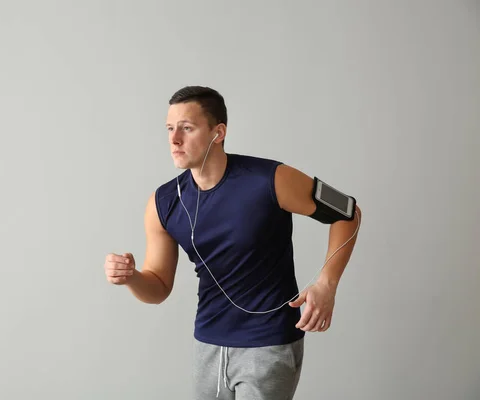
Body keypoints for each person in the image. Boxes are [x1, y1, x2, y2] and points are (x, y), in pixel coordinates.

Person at [103, 86, 362, 399]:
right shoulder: (163, 203)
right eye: (170, 129)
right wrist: (131, 278)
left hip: (267, 344)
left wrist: (327, 284)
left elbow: (347, 212)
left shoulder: (271, 179)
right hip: (207, 344)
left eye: (187, 128)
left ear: (218, 132)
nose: (174, 140)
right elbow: (158, 287)